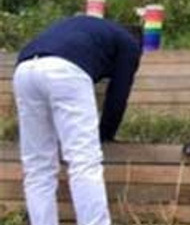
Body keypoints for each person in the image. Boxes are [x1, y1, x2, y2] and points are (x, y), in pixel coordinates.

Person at [14, 16, 142, 225]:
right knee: (84, 161)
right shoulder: (129, 44)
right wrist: (105, 135)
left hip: (25, 69)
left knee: (38, 166)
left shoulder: (90, 29)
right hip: (66, 71)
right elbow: (117, 96)